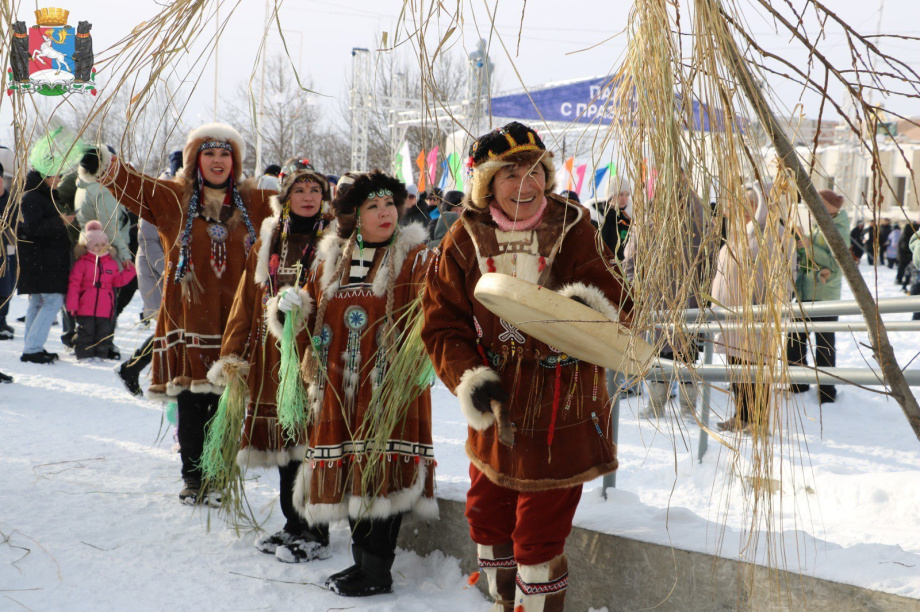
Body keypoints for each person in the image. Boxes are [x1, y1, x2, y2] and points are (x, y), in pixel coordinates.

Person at [422, 122, 633, 611]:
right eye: (511, 174)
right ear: (488, 183)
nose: (527, 184)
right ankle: (503, 603)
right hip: (497, 403)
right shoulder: (463, 238)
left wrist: (584, 313)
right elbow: (442, 324)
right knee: (486, 520)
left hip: (562, 404)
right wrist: (471, 380)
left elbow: (620, 301)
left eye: (535, 171)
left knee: (538, 538)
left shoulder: (576, 229)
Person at [269, 169, 436, 597]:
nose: (385, 213)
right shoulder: (331, 261)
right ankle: (362, 562)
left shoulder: (415, 259)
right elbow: (307, 323)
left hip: (389, 390)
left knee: (379, 473)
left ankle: (377, 570)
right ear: (354, 216)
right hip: (338, 391)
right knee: (354, 476)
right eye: (372, 206)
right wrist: (290, 310)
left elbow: (437, 313)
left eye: (389, 204)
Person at [90, 122, 275, 505]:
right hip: (189, 317)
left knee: (227, 404)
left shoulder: (255, 201)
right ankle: (193, 478)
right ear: (195, 160)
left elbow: (303, 203)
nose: (218, 160)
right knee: (191, 403)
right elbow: (132, 185)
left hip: (236, 322)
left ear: (235, 162)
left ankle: (219, 475)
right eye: (209, 154)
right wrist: (101, 162)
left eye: (225, 154)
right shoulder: (173, 198)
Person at [207, 159, 333, 563]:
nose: (308, 197)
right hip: (271, 359)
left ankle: (315, 530)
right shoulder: (268, 242)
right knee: (285, 446)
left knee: (312, 446)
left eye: (315, 190)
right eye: (299, 190)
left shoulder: (335, 240)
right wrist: (232, 353)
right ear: (286, 197)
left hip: (313, 355)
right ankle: (292, 524)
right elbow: (246, 302)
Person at [714, 184, 796, 431]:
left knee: (755, 371)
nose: (735, 210)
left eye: (745, 205)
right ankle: (742, 416)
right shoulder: (742, 232)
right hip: (734, 317)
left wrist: (763, 310)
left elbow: (780, 279)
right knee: (738, 369)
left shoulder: (773, 234)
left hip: (756, 317)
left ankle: (758, 421)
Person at [787, 189, 849, 405]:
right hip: (806, 291)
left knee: (824, 344)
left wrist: (809, 246)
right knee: (795, 339)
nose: (814, 205)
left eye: (819, 202)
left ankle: (827, 392)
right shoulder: (818, 223)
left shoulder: (838, 226)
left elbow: (836, 261)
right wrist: (799, 242)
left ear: (830, 205)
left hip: (825, 294)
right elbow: (811, 258)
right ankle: (798, 384)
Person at [18, 165, 72, 364]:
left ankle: (32, 346)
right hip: (42, 261)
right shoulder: (32, 197)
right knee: (52, 301)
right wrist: (60, 221)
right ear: (44, 176)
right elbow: (32, 228)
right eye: (56, 176)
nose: (59, 179)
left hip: (43, 261)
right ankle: (32, 349)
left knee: (38, 302)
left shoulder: (40, 195)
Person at [66, 221, 136, 361]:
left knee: (103, 333)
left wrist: (130, 271)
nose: (100, 248)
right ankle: (84, 355)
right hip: (85, 305)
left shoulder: (111, 263)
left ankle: (99, 355)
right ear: (88, 246)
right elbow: (74, 285)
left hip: (105, 306)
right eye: (96, 245)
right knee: (86, 331)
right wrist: (72, 304)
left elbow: (117, 281)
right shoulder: (82, 263)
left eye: (103, 244)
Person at [0, 160, 16, 340]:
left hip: (7, 249)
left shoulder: (8, 199)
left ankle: (2, 320)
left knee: (7, 289)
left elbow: (16, 222)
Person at [599, 176, 632, 261]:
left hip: (624, 266)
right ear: (610, 195)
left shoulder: (630, 218)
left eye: (627, 195)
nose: (624, 198)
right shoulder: (598, 217)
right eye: (620, 194)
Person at [897, 222, 916, 289]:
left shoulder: (906, 236)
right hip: (904, 257)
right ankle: (899, 280)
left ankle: (904, 280)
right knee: (902, 269)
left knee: (905, 269)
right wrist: (912, 249)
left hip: (905, 256)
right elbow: (904, 246)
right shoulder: (905, 236)